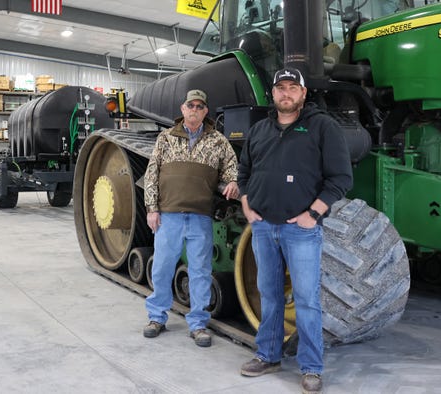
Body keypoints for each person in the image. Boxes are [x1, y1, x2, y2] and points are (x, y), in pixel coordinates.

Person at [237, 68, 353, 394]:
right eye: (280, 88)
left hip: (301, 231)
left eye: (292, 88)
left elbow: (340, 178)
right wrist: (247, 205)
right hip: (262, 228)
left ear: (303, 94)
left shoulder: (321, 127)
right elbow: (244, 171)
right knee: (270, 296)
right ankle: (268, 355)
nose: (285, 94)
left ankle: (311, 368)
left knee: (306, 300)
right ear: (272, 94)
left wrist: (313, 214)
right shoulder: (259, 129)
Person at [142, 89, 239, 347]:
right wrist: (152, 208)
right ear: (182, 109)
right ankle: (157, 317)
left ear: (206, 111)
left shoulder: (218, 141)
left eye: (200, 106)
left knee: (200, 272)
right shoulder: (166, 138)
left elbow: (231, 168)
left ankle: (197, 324)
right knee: (162, 268)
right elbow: (151, 174)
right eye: (190, 105)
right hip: (169, 216)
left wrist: (232, 183)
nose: (194, 110)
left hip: (200, 217)